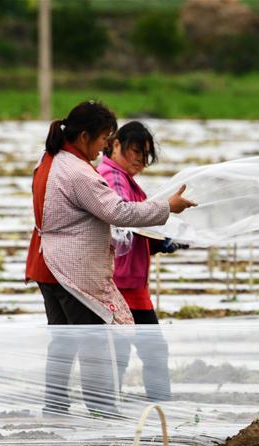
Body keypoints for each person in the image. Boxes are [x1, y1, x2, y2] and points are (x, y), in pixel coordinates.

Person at [25, 100, 196, 416]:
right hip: (70, 272)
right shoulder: (77, 172)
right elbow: (118, 211)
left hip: (47, 264)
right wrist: (167, 207)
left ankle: (56, 409)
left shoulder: (49, 158)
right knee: (95, 345)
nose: (104, 147)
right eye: (104, 139)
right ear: (86, 135)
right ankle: (103, 412)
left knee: (62, 343)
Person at [99, 121, 182, 402]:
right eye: (135, 151)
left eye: (145, 155)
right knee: (144, 349)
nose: (140, 160)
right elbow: (126, 216)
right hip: (121, 282)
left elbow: (137, 225)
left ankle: (116, 407)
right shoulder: (112, 177)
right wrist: (165, 215)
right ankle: (117, 408)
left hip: (132, 280)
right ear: (116, 144)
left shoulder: (125, 178)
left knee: (135, 349)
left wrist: (160, 241)